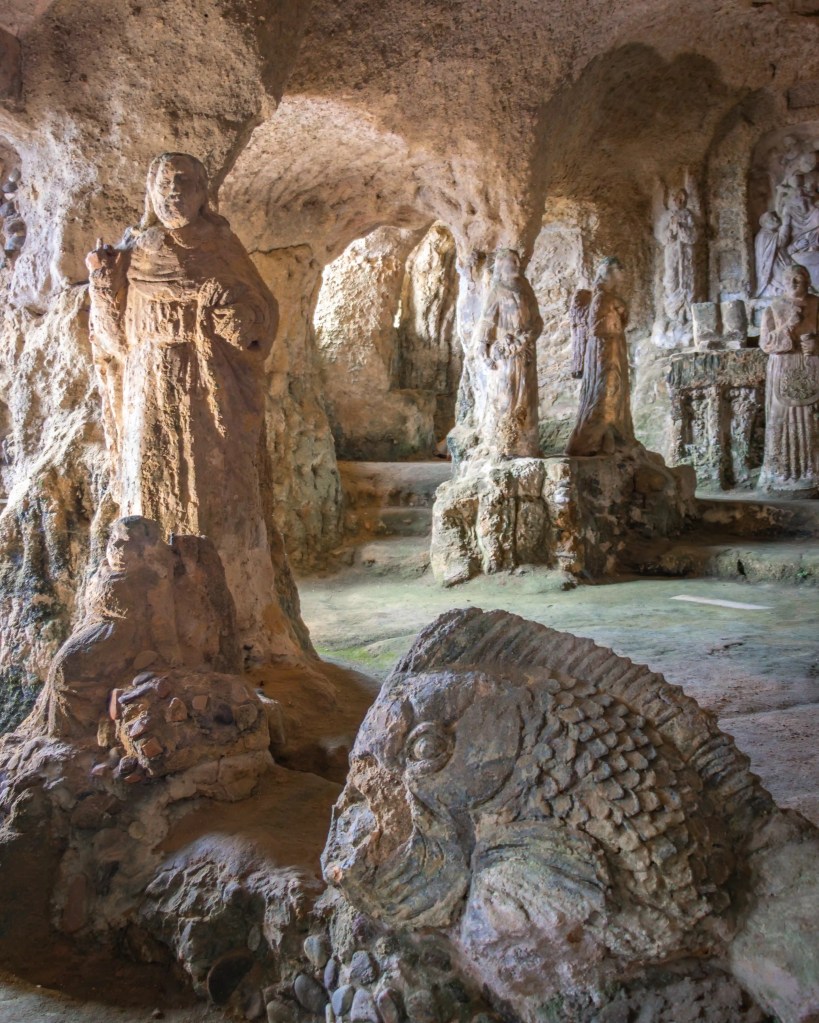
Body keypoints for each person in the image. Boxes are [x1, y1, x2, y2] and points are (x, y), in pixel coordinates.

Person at [86, 153, 306, 661]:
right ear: (150, 192)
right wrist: (102, 284)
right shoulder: (137, 252)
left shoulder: (221, 246)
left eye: (184, 182)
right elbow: (114, 341)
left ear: (204, 191)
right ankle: (153, 620)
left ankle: (239, 624)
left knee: (218, 495)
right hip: (150, 394)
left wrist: (234, 311)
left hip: (210, 394)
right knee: (151, 498)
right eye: (163, 183)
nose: (173, 192)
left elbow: (261, 319)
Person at [473, 249, 543, 459]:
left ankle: (526, 444)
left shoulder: (525, 288)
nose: (517, 263)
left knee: (527, 396)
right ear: (502, 265)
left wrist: (530, 335)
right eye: (512, 261)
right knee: (505, 395)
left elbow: (537, 318)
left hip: (526, 350)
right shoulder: (497, 290)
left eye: (517, 260)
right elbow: (487, 321)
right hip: (505, 351)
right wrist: (483, 348)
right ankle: (503, 444)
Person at [758, 263, 819, 492]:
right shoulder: (773, 308)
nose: (793, 284)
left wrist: (816, 344)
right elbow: (766, 344)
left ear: (807, 281)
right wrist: (787, 327)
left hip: (811, 365)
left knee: (812, 419)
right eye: (789, 280)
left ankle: (814, 474)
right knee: (781, 418)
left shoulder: (816, 304)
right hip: (783, 367)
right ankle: (779, 474)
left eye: (798, 279)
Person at [567, 257, 636, 457]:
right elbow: (595, 328)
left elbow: (621, 322)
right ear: (610, 273)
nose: (622, 277)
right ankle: (588, 441)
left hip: (614, 348)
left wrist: (620, 312)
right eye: (620, 272)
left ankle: (612, 435)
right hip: (602, 351)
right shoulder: (600, 297)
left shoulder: (608, 297)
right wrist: (614, 311)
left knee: (616, 391)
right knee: (604, 392)